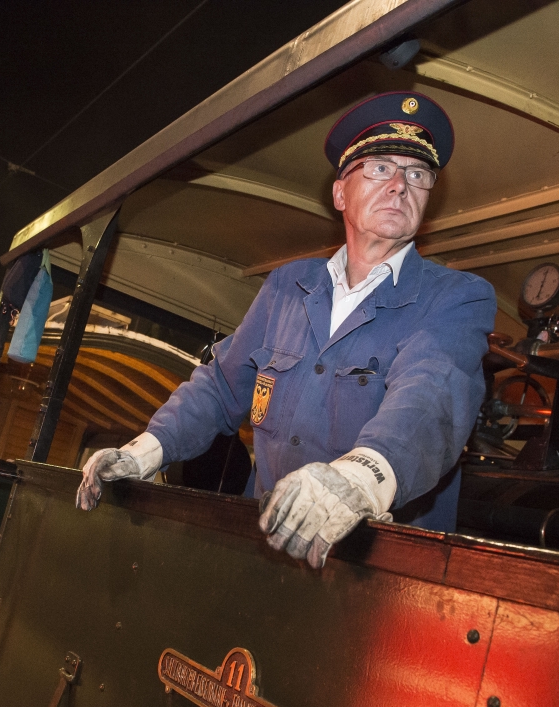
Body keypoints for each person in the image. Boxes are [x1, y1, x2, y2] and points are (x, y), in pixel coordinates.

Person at [76, 91, 496, 569]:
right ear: (341, 193)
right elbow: (220, 385)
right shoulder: (288, 287)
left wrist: (358, 480)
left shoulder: (457, 297)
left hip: (376, 574)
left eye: (417, 175)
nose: (400, 185)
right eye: (381, 168)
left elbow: (430, 397)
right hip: (269, 553)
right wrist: (144, 452)